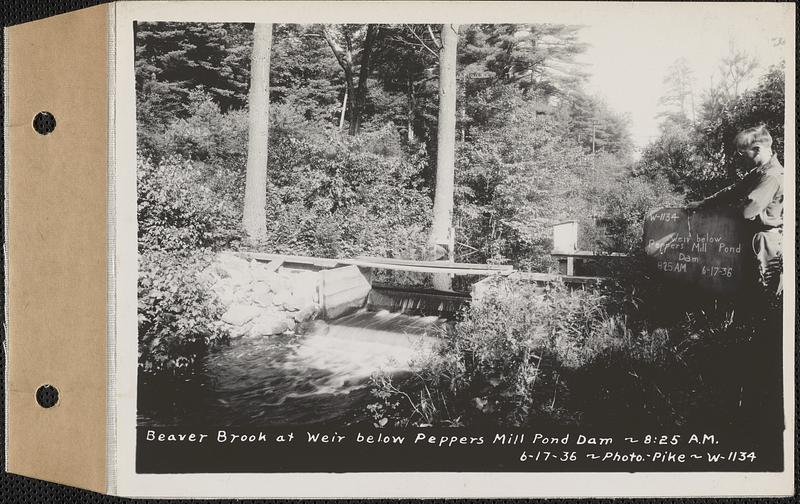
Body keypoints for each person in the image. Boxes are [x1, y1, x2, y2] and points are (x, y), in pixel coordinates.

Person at [687, 125, 783, 295]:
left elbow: (747, 211)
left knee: (763, 292)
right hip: (754, 238)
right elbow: (734, 191)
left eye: (742, 153)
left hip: (765, 243)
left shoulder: (771, 176)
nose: (741, 159)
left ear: (756, 149)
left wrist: (721, 214)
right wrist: (704, 203)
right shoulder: (760, 172)